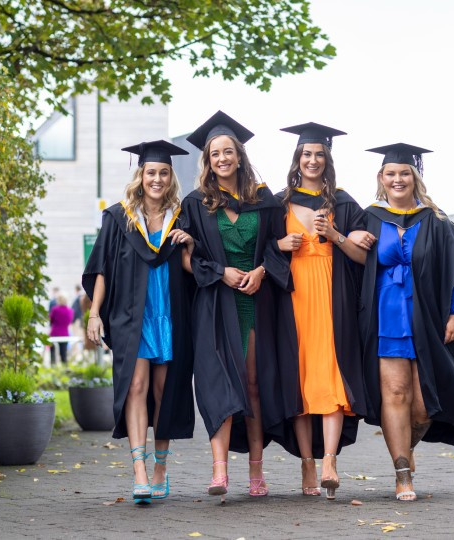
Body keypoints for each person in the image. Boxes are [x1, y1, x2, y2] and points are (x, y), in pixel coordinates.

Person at [181, 111, 299, 502]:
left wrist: (263, 271)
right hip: (216, 302)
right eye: (215, 153)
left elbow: (277, 246)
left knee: (252, 386)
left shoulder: (264, 200)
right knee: (218, 383)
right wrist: (221, 272)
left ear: (239, 156)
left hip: (254, 301)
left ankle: (256, 470)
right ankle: (219, 471)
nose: (222, 158)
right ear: (208, 160)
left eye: (228, 151)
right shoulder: (195, 203)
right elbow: (189, 258)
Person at [359, 142, 454, 502]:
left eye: (404, 173)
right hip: (386, 315)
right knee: (395, 393)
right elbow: (353, 262)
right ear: (382, 177)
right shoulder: (370, 217)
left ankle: (407, 449)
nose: (398, 179)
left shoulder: (436, 221)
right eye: (391, 174)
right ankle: (402, 473)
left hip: (427, 315)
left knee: (424, 404)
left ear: (415, 177)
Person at [83, 140, 196, 504]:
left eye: (164, 172)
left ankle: (161, 466)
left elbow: (197, 266)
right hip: (133, 317)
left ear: (171, 177)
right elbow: (101, 269)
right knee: (135, 388)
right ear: (140, 175)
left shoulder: (183, 218)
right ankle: (140, 472)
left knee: (165, 393)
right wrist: (94, 312)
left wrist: (189, 242)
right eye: (151, 172)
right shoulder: (119, 218)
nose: (157, 179)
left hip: (171, 316)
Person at [274, 123, 374, 500]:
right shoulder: (279, 202)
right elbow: (264, 248)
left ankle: (329, 460)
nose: (312, 160)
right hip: (293, 297)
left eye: (319, 154)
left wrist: (335, 236)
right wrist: (281, 243)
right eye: (306, 154)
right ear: (297, 160)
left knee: (331, 377)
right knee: (298, 380)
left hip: (334, 299)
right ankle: (307, 462)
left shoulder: (345, 204)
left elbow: (364, 257)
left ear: (327, 160)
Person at [48, 293, 74, 365]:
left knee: (53, 351)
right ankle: (64, 367)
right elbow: (70, 321)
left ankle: (53, 365)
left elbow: (51, 320)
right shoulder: (70, 311)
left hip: (55, 333)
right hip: (65, 333)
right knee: (63, 353)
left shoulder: (55, 310)